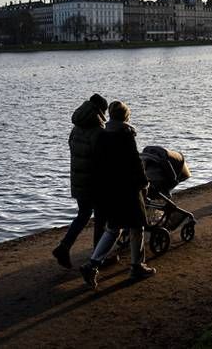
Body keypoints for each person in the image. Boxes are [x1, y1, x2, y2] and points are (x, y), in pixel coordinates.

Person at [80, 101, 155, 288]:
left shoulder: (102, 136)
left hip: (109, 190)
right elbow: (135, 163)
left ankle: (92, 264)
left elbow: (97, 164)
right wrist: (144, 183)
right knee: (137, 226)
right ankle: (137, 266)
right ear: (126, 116)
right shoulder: (126, 135)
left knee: (113, 228)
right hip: (128, 189)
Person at [52, 93, 108, 269]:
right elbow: (102, 159)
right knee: (101, 218)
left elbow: (73, 149)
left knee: (83, 214)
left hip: (78, 180)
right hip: (95, 182)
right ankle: (98, 258)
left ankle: (64, 246)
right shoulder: (99, 131)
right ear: (100, 111)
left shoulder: (76, 128)